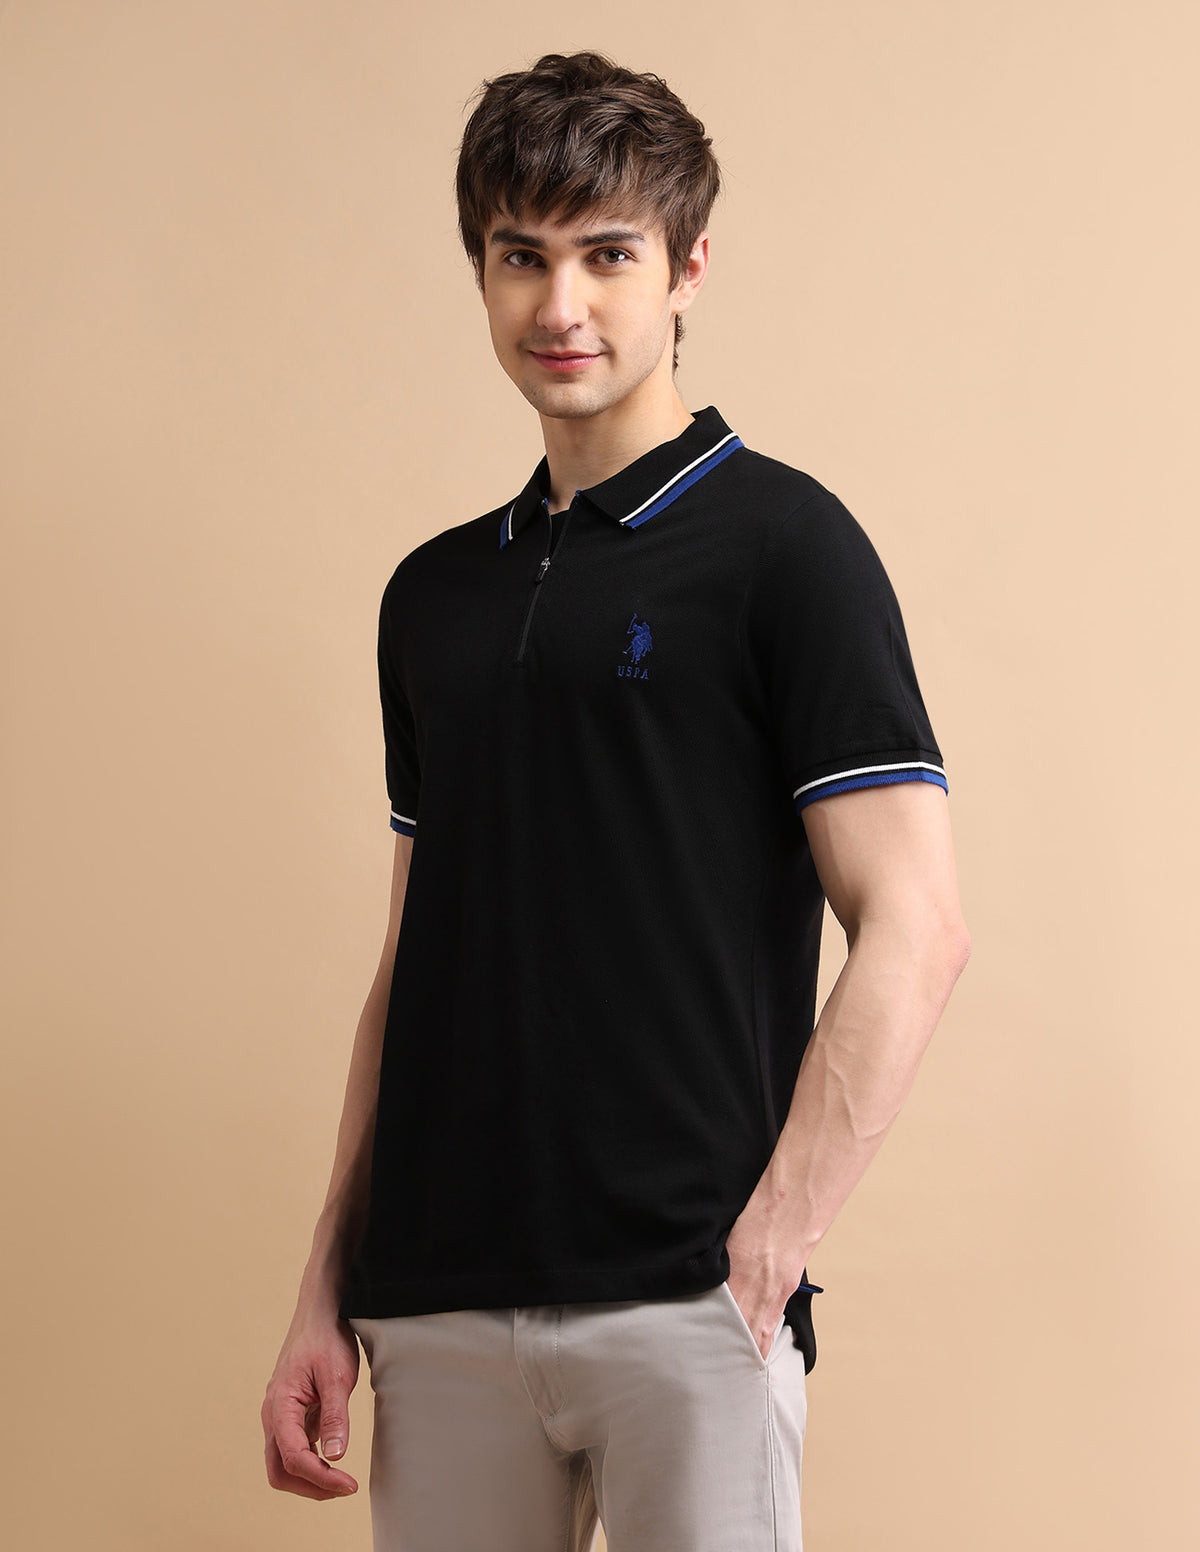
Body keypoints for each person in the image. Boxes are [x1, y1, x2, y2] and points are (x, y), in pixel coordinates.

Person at [261, 48, 971, 1552]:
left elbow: (918, 926)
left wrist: (769, 1250)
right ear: (479, 271)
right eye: (520, 257)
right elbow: (415, 962)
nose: (561, 306)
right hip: (439, 1310)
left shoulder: (788, 548)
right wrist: (331, 1279)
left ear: (688, 267)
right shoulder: (432, 597)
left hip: (686, 1303)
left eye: (607, 255)